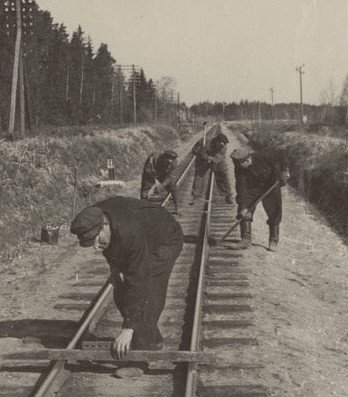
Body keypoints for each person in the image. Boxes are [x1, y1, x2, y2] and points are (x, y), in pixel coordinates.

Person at [70, 196, 183, 359]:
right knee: (121, 287)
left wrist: (127, 328)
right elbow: (112, 249)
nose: (96, 247)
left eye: (97, 241)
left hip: (163, 240)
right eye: (91, 243)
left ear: (105, 225)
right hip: (138, 236)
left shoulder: (129, 230)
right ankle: (148, 335)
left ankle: (145, 349)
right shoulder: (93, 216)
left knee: (147, 291)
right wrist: (116, 269)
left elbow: (140, 280)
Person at [229, 146, 290, 251]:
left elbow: (282, 154)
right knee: (243, 210)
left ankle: (273, 240)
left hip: (271, 185)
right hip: (253, 188)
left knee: (274, 211)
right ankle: (246, 240)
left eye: (239, 164)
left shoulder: (262, 157)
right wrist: (244, 207)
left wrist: (284, 171)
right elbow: (241, 187)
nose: (236, 166)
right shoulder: (238, 168)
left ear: (247, 160)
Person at [190, 133, 234, 204]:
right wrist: (201, 151)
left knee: (222, 173)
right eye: (219, 144)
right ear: (216, 141)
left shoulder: (223, 148)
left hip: (214, 159)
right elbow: (194, 151)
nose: (221, 146)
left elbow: (217, 158)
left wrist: (208, 157)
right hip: (202, 159)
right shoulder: (205, 140)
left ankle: (228, 195)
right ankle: (195, 196)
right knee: (199, 175)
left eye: (222, 145)